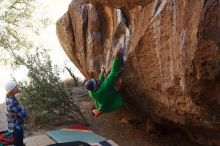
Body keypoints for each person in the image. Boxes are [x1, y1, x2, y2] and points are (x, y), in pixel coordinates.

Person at [86, 44, 124, 117]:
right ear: (96, 88)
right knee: (102, 109)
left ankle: (97, 111)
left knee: (101, 108)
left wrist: (101, 73)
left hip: (102, 100)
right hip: (110, 101)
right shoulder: (105, 86)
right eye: (96, 82)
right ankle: (97, 112)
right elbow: (113, 73)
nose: (97, 80)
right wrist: (115, 56)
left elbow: (99, 83)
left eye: (95, 80)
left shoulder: (91, 91)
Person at [5, 81, 27, 146]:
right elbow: (24, 114)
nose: (18, 86)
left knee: (19, 143)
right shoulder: (12, 102)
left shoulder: (9, 98)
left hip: (15, 126)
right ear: (13, 89)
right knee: (18, 144)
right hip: (16, 127)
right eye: (16, 86)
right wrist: (22, 108)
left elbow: (19, 112)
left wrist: (20, 108)